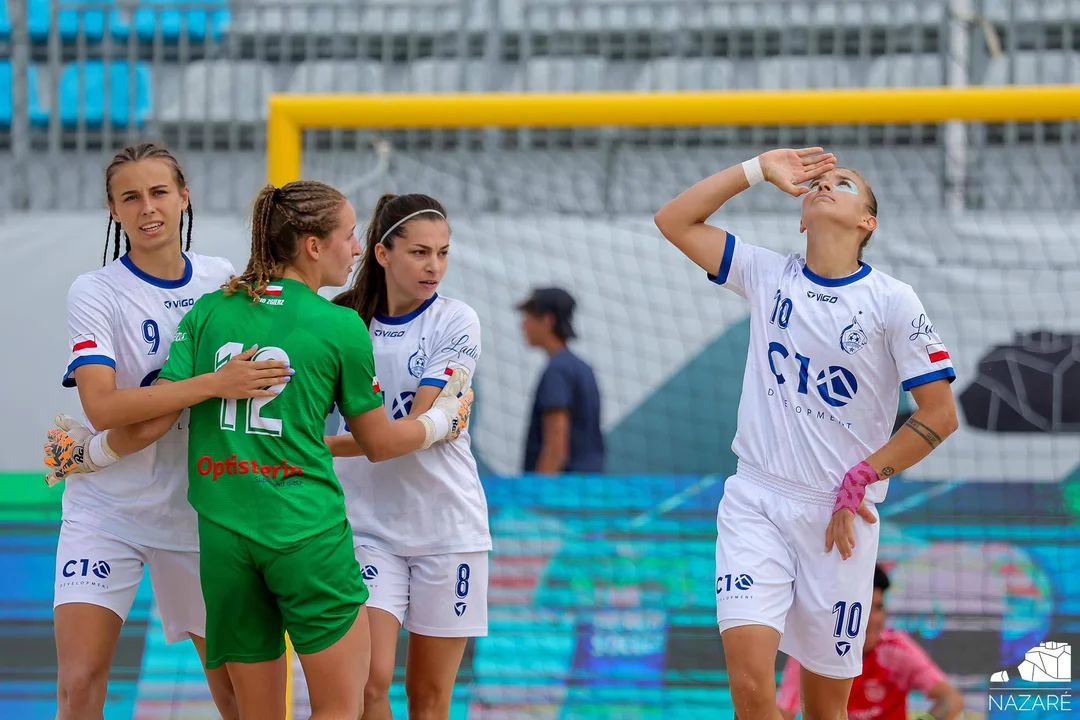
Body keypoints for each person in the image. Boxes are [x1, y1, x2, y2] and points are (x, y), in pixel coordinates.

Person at [654, 148, 959, 720]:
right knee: (750, 689)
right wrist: (755, 169)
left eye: (844, 184)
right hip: (756, 500)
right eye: (819, 183)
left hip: (838, 519)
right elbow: (673, 220)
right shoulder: (768, 275)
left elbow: (940, 415)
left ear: (868, 221)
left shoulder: (892, 301)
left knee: (824, 710)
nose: (826, 186)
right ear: (799, 217)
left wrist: (861, 478)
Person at [154, 180, 473, 720]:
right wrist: (443, 420)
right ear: (312, 246)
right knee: (340, 709)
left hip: (224, 536)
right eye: (349, 236)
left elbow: (158, 408)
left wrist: (95, 451)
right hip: (306, 534)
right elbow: (378, 443)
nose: (355, 249)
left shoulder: (208, 311)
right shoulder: (339, 324)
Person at [46, 142, 293, 720]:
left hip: (199, 514)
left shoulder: (224, 281)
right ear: (113, 210)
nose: (147, 208)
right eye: (129, 197)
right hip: (107, 513)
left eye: (159, 192)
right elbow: (103, 406)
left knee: (236, 697)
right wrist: (213, 383)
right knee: (78, 682)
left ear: (185, 197)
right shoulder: (95, 291)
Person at [328, 193, 491, 720]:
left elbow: (409, 433)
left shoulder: (456, 320)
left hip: (448, 529)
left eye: (443, 253)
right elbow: (399, 432)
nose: (434, 266)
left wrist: (315, 448)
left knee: (428, 698)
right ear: (381, 253)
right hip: (367, 528)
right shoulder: (340, 323)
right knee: (369, 682)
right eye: (420, 252)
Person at [778, 564, 965, 720]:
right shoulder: (813, 651)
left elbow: (951, 699)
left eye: (878, 608)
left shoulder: (896, 648)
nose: (871, 619)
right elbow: (784, 712)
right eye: (865, 608)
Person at [517, 287, 605, 474]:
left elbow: (556, 450)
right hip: (587, 490)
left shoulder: (557, 371)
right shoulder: (581, 367)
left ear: (548, 321)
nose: (523, 325)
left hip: (563, 496)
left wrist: (536, 498)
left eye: (529, 317)